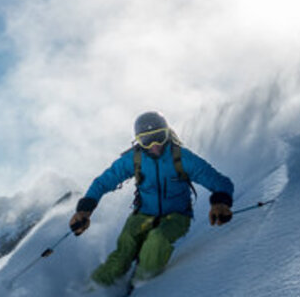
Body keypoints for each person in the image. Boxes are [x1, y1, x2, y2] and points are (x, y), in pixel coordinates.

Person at [69, 111, 234, 286]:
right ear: (139, 142)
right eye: (147, 141)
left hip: (176, 216)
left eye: (159, 137)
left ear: (167, 134)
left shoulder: (181, 158)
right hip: (143, 215)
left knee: (157, 240)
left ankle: (143, 284)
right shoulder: (134, 159)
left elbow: (219, 182)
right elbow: (103, 182)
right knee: (124, 251)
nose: (155, 145)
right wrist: (84, 210)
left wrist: (220, 203)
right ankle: (91, 292)